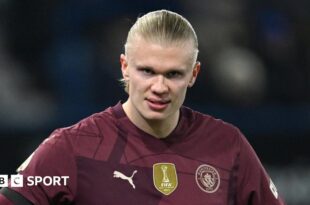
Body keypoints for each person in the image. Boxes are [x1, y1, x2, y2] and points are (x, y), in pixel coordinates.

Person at [0, 9, 285, 205]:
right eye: (147, 71)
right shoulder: (71, 147)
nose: (159, 87)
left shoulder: (228, 144)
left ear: (194, 75)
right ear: (125, 67)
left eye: (173, 74)